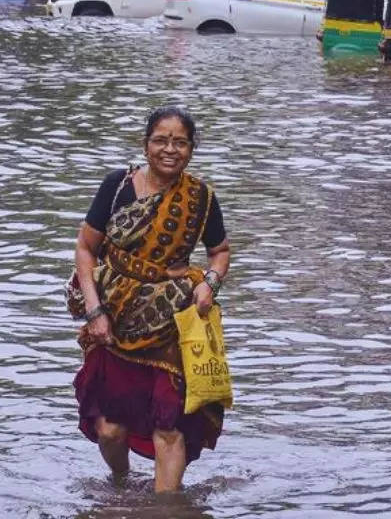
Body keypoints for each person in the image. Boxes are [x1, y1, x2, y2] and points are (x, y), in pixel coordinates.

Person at [69, 107, 232, 493]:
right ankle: (121, 485)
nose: (169, 149)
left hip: (171, 323)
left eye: (180, 142)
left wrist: (209, 282)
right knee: (110, 430)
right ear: (145, 145)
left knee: (169, 427)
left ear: (192, 149)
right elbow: (85, 247)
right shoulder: (116, 187)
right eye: (160, 140)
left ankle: (166, 508)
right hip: (116, 320)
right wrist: (95, 312)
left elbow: (220, 251)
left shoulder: (201, 198)